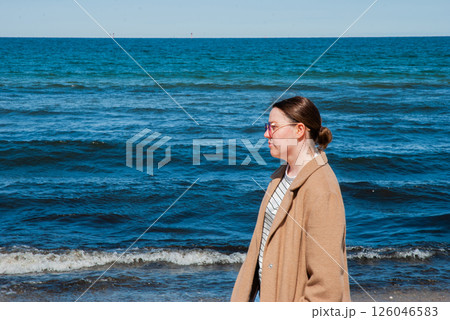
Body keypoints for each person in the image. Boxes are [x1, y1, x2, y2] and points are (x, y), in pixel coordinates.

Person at [231, 96, 351, 302]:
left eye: (273, 127)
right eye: (267, 126)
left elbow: (326, 285)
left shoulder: (321, 188)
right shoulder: (279, 177)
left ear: (299, 130)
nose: (266, 134)